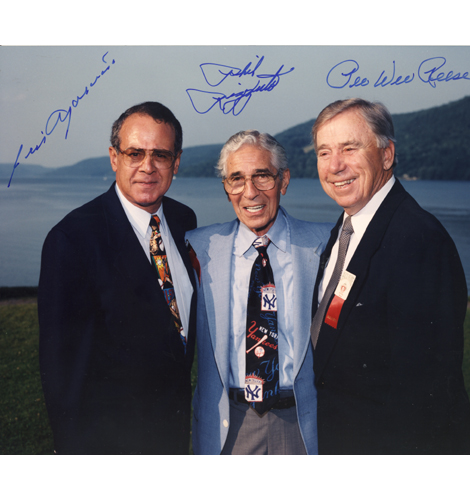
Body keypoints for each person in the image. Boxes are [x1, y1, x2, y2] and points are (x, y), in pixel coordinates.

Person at [310, 98, 470, 454]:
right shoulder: (346, 229)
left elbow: (426, 394)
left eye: (349, 148)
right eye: (324, 152)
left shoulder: (417, 239)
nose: (335, 165)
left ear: (387, 155)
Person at [38, 101, 198, 454]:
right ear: (114, 158)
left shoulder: (184, 220)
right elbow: (64, 374)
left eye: (160, 154)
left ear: (177, 162)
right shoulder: (73, 240)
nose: (147, 167)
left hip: (171, 438)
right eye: (134, 153)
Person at [186, 130, 332, 454]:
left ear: (284, 180)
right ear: (226, 188)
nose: (250, 192)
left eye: (262, 176)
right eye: (236, 179)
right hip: (230, 427)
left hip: (302, 424)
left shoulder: (324, 244)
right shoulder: (199, 248)